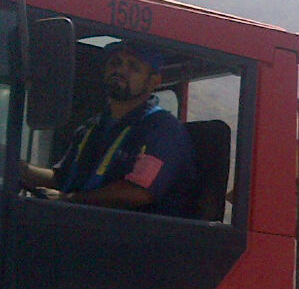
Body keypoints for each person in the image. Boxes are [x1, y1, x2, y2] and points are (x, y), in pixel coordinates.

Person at [20, 40, 199, 216]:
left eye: (133, 67)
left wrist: (70, 199)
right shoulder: (92, 127)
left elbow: (138, 193)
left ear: (153, 82)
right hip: (79, 224)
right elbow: (61, 178)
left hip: (128, 236)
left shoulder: (162, 130)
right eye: (115, 63)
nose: (120, 70)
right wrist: (17, 168)